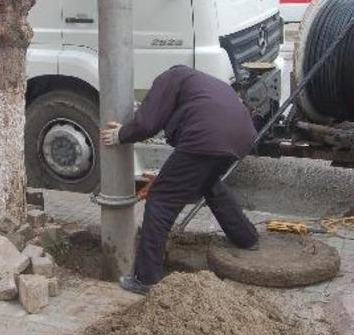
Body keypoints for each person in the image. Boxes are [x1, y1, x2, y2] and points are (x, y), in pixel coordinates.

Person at [100, 65, 259, 295]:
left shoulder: (166, 79)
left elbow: (147, 124)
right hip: (242, 137)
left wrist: (120, 134)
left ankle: (147, 279)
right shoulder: (199, 82)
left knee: (160, 200)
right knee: (209, 183)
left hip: (206, 136)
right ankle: (247, 237)